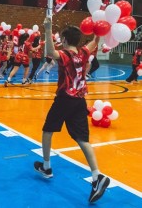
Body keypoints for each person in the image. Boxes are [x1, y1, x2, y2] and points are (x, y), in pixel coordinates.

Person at [34, 17, 110, 203]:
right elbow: (94, 42)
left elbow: (51, 51)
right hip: (79, 101)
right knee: (83, 139)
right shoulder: (84, 52)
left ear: (66, 40)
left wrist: (48, 28)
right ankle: (97, 176)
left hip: (64, 99)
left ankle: (46, 166)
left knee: (47, 130)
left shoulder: (66, 55)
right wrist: (97, 34)